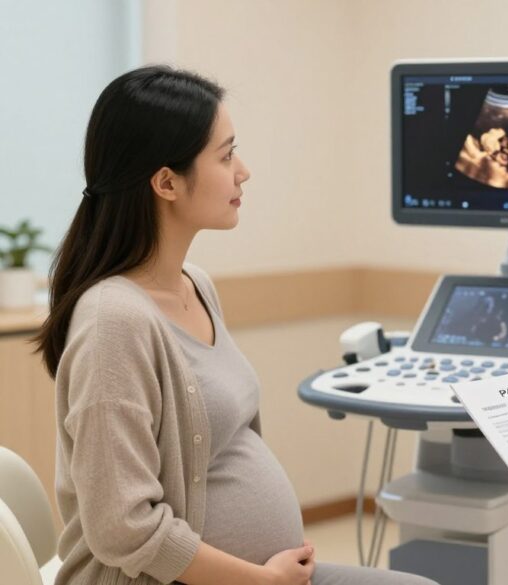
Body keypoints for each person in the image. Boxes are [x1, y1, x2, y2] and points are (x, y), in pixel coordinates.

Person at [34, 66, 437, 585]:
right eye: (225, 157)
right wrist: (260, 580)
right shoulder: (114, 321)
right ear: (166, 182)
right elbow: (123, 528)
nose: (242, 171)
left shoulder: (196, 285)